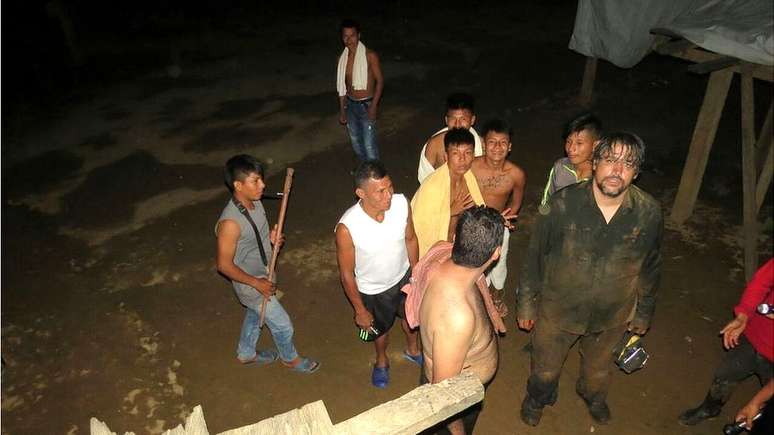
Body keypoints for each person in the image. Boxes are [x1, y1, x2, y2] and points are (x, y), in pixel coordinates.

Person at [516, 132, 663, 426]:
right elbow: (534, 258)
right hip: (559, 309)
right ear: (595, 163)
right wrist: (527, 305)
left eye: (628, 164)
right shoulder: (562, 205)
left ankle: (592, 395)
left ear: (636, 173)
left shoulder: (648, 212)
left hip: (613, 315)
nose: (617, 170)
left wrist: (644, 311)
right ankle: (538, 397)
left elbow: (651, 265)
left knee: (598, 370)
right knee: (545, 367)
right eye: (610, 160)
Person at [403, 206, 507, 435]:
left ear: (457, 238)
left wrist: (488, 225)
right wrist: (457, 431)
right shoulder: (456, 318)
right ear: (496, 254)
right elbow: (443, 397)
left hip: (452, 371)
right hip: (455, 398)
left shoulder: (443, 253)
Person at [215, 154, 319, 373]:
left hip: (264, 273)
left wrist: (272, 240)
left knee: (255, 313)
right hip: (249, 282)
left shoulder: (254, 202)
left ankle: (246, 353)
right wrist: (256, 283)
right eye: (255, 181)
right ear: (238, 185)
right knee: (282, 324)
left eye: (261, 178)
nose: (262, 185)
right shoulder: (230, 223)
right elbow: (223, 265)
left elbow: (256, 238)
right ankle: (289, 358)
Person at [335, 160, 421, 388]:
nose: (389, 195)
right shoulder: (348, 227)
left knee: (412, 317)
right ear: (361, 193)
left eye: (390, 187)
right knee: (378, 330)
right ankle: (381, 361)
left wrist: (417, 273)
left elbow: (410, 239)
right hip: (373, 290)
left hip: (404, 277)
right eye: (380, 191)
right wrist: (359, 309)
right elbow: (346, 273)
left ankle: (413, 349)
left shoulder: (402, 203)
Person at [678, 258, 773, 426]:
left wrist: (756, 402)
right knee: (725, 374)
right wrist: (743, 314)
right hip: (754, 337)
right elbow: (761, 281)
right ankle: (710, 409)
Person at [471, 119, 526, 316]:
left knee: (499, 263)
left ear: (509, 146)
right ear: (484, 145)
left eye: (503, 142)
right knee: (472, 263)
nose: (497, 147)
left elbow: (516, 201)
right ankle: (475, 298)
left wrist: (506, 218)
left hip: (499, 225)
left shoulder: (516, 174)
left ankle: (497, 295)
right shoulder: (471, 166)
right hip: (472, 224)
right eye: (492, 142)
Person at [411, 128, 485, 257]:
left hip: (457, 244)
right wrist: (450, 211)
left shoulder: (468, 177)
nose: (462, 159)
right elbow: (418, 225)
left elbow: (477, 208)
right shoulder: (431, 186)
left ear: (474, 155)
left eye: (467, 153)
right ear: (446, 156)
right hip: (435, 249)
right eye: (456, 153)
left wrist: (495, 219)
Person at [337, 18, 384, 162]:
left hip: (367, 104)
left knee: (369, 146)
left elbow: (380, 81)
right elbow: (342, 87)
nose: (349, 39)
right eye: (345, 36)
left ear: (359, 35)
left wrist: (374, 106)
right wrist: (343, 110)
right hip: (351, 104)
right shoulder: (342, 58)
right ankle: (365, 171)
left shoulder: (370, 56)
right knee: (356, 143)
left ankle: (376, 176)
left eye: (352, 35)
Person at [539, 113, 602, 210]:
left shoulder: (600, 177)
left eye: (579, 143)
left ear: (596, 145)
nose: (571, 148)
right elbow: (547, 198)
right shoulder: (560, 167)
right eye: (568, 141)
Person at [418, 92, 484, 184]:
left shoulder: (482, 145)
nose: (457, 125)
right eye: (453, 119)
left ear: (472, 120)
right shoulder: (435, 144)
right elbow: (425, 179)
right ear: (446, 120)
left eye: (463, 119)